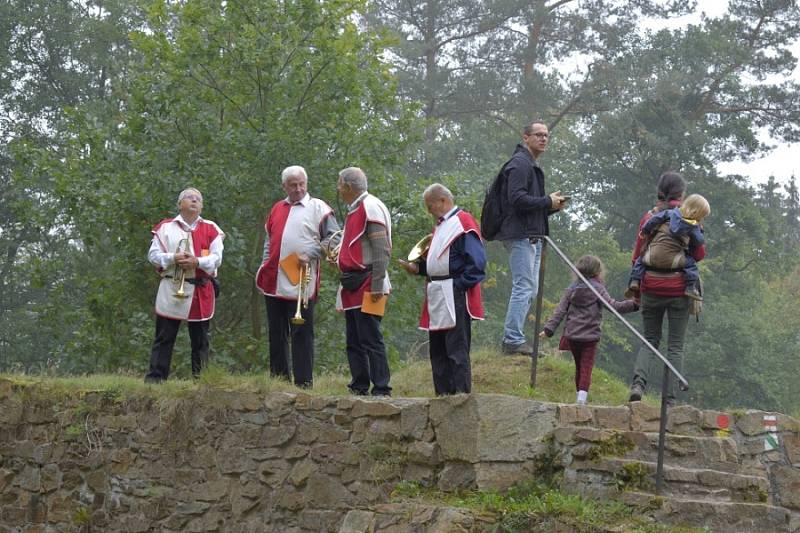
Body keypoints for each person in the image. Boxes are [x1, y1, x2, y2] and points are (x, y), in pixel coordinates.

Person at [255, 165, 341, 388]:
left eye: (301, 184)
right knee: (276, 332)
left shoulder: (318, 208)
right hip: (273, 279)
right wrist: (264, 265)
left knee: (301, 332)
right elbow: (269, 239)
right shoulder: (277, 208)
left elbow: (335, 239)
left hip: (302, 279)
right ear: (284, 186)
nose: (298, 189)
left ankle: (304, 382)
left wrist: (311, 253)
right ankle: (279, 380)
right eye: (293, 185)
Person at [399, 184, 486, 395]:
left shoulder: (462, 222)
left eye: (430, 206)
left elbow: (477, 263)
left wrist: (458, 286)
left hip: (453, 291)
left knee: (456, 347)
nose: (429, 211)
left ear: (443, 201)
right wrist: (419, 269)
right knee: (437, 349)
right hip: (437, 291)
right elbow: (440, 260)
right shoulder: (440, 226)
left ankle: (461, 395)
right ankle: (443, 395)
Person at [627, 172, 706, 404]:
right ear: (681, 195)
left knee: (649, 340)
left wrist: (637, 287)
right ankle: (669, 401)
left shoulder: (649, 217)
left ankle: (638, 386)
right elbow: (699, 254)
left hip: (650, 285)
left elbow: (638, 254)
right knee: (675, 346)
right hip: (679, 288)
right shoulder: (689, 218)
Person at [495, 120, 567, 355]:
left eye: (546, 135)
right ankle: (512, 340)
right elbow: (516, 199)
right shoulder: (519, 164)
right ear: (525, 137)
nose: (543, 138)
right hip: (520, 236)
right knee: (523, 286)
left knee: (530, 288)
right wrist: (546, 201)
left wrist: (551, 206)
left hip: (533, 236)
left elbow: (526, 205)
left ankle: (515, 337)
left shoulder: (530, 164)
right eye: (538, 134)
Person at [145, 187, 224, 382]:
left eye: (198, 198)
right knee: (164, 337)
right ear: (180, 204)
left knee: (200, 340)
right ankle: (156, 379)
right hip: (172, 287)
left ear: (202, 205)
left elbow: (217, 258)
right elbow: (153, 256)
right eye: (189, 197)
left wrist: (196, 262)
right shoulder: (165, 227)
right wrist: (174, 258)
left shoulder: (211, 228)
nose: (194, 200)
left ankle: (201, 380)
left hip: (200, 288)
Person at [539, 255, 638, 405]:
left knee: (579, 365)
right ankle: (581, 398)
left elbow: (559, 311)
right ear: (598, 272)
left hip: (572, 335)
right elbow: (614, 306)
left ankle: (579, 394)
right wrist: (635, 304)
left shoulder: (571, 290)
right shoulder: (598, 288)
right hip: (590, 336)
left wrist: (548, 330)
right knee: (586, 366)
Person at [335, 167, 392, 396]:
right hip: (353, 284)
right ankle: (359, 384)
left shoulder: (370, 207)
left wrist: (377, 284)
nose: (338, 189)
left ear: (348, 187)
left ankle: (381, 387)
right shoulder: (355, 208)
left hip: (369, 282)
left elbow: (381, 249)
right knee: (354, 340)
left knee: (371, 338)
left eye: (340, 185)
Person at [626, 194, 710, 301]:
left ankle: (635, 280)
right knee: (691, 264)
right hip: (675, 264)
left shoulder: (670, 213)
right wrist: (699, 232)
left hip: (652, 259)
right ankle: (690, 287)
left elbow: (654, 220)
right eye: (702, 216)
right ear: (696, 213)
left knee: (641, 258)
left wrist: (645, 230)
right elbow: (699, 245)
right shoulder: (692, 227)